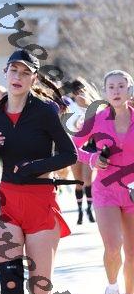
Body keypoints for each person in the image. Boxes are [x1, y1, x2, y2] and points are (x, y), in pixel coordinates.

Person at [0, 49, 77, 294]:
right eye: (13, 70)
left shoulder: (45, 112)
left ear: (34, 78)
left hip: (40, 200)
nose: (18, 77)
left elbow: (69, 154)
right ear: (5, 73)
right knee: (9, 282)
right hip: (7, 203)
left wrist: (34, 167)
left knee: (40, 285)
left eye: (25, 72)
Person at [73, 70, 134, 294]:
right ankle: (112, 289)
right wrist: (92, 158)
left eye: (121, 86)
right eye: (111, 87)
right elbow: (73, 145)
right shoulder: (96, 120)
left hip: (132, 190)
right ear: (105, 92)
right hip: (106, 190)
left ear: (129, 90)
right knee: (112, 247)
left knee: (132, 252)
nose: (116, 91)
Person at [65, 78, 100, 224]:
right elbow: (67, 127)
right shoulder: (69, 107)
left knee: (88, 180)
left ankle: (89, 209)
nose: (81, 94)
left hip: (90, 146)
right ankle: (80, 211)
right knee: (78, 181)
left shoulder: (93, 107)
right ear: (73, 93)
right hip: (74, 146)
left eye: (83, 90)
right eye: (77, 91)